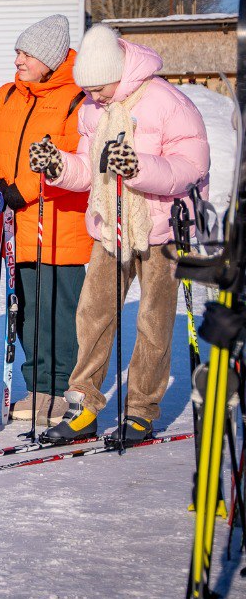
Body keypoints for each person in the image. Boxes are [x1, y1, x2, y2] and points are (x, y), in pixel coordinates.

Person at [34, 26, 210, 446]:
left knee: (152, 320)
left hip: (162, 228)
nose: (94, 97)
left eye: (99, 88)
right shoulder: (94, 111)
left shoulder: (167, 102)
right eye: (88, 89)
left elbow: (192, 166)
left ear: (120, 73)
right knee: (92, 313)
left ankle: (140, 411)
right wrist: (58, 166)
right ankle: (83, 407)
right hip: (109, 225)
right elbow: (89, 167)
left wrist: (138, 167)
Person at [0, 15, 91, 423]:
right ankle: (39, 389)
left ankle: (64, 391)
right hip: (14, 226)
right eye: (18, 52)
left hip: (61, 223)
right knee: (28, 312)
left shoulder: (78, 97)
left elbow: (75, 156)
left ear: (50, 59)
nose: (18, 59)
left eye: (26, 53)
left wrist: (24, 189)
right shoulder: (6, 95)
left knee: (63, 313)